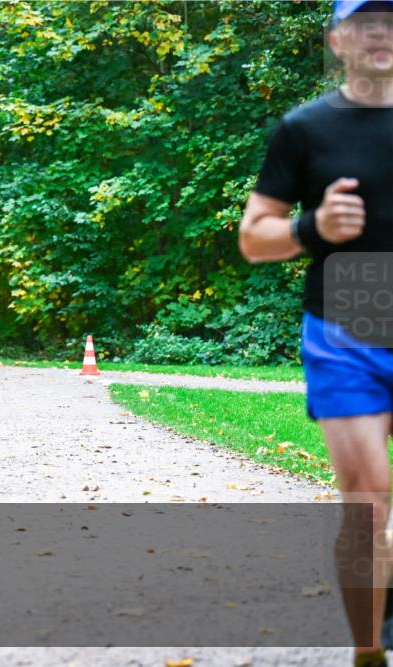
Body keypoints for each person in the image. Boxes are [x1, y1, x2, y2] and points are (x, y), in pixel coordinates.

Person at [239, 2, 393, 664]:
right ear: (337, 40)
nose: (381, 31)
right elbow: (253, 237)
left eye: (392, 19)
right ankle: (369, 650)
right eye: (365, 21)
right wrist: (312, 228)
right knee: (367, 502)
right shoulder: (304, 129)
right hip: (347, 324)